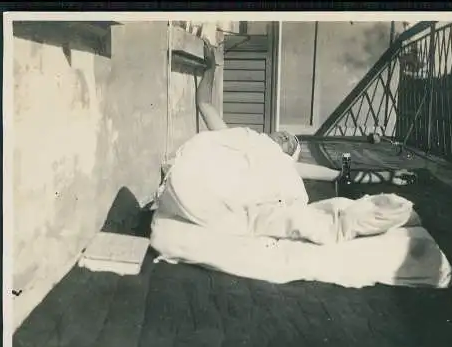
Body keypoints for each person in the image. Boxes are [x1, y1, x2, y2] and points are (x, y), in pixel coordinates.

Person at [150, 40, 418, 248]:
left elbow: (341, 173)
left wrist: (388, 175)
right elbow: (204, 104)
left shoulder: (285, 166)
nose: (285, 137)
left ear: (290, 156)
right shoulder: (240, 139)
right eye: (285, 135)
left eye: (290, 143)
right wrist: (211, 68)